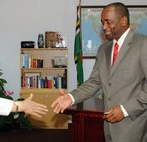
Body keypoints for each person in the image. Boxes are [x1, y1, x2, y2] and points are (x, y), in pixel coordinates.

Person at [52, 2, 147, 142]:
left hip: (133, 125)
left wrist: (125, 110)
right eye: (102, 22)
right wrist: (71, 97)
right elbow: (95, 81)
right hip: (108, 125)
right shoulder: (103, 49)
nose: (104, 27)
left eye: (108, 22)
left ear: (123, 21)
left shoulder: (143, 44)